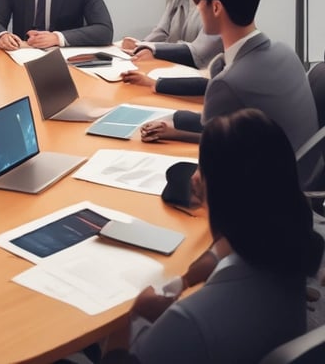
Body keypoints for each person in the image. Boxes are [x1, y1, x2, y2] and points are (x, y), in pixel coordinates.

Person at [114, 109, 323, 364]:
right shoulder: (290, 252)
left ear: (216, 192)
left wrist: (132, 320)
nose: (194, 176)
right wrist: (189, 278)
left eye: (201, 167)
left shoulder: (188, 321)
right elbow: (224, 250)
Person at [139, 0, 319, 185]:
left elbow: (205, 182)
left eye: (198, 0)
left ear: (216, 7)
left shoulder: (228, 83)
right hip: (295, 178)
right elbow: (238, 131)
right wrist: (176, 131)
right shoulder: (284, 53)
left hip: (262, 197)